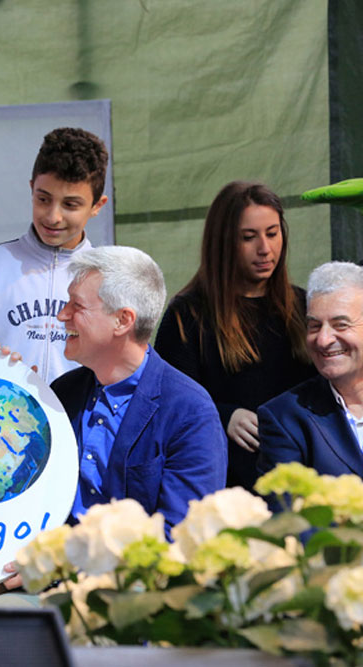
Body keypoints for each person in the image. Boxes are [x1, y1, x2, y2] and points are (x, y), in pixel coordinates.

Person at [50, 246, 227, 533]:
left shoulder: (189, 411)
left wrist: (72, 563)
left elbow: (182, 534)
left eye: (76, 305)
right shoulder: (63, 392)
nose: (62, 315)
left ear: (122, 320)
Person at [154, 182, 314, 491]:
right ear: (223, 242)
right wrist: (223, 414)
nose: (265, 248)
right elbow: (168, 401)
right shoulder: (187, 315)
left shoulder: (304, 305)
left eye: (272, 232)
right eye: (248, 237)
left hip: (298, 481)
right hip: (224, 486)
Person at [0, 127, 109, 383]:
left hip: (78, 423)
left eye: (70, 204)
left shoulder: (109, 277)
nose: (53, 216)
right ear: (31, 189)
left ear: (97, 206)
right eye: (43, 199)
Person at [257, 262, 363, 478]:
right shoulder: (286, 418)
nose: (323, 340)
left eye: (340, 325)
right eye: (314, 326)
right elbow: (285, 509)